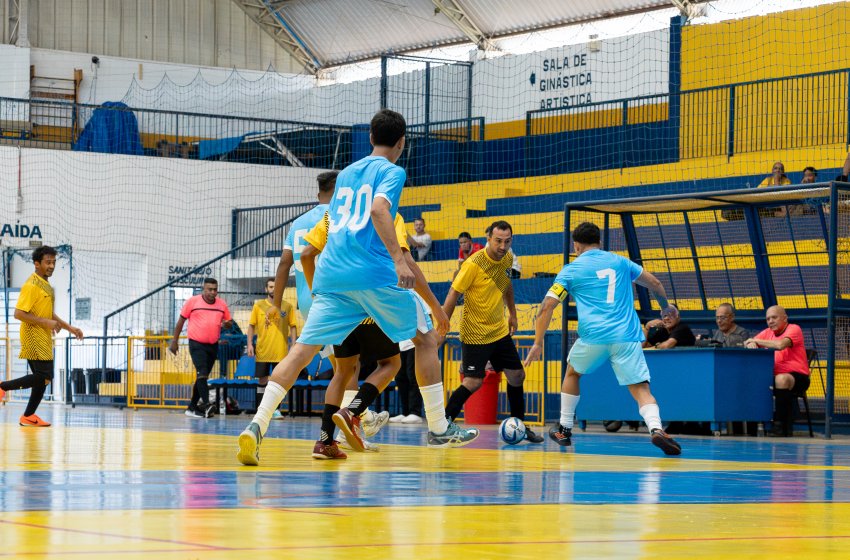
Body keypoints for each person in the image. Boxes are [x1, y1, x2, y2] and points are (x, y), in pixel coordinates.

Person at [236, 109, 478, 466]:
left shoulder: (347, 173)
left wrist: (320, 287)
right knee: (426, 340)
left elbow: (323, 236)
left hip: (332, 275)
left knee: (300, 353)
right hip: (371, 273)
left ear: (369, 138)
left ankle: (257, 426)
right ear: (401, 143)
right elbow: (380, 210)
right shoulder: (393, 171)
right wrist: (397, 260)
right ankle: (439, 427)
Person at [523, 222, 682, 455]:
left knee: (572, 372)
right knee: (640, 389)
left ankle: (564, 429)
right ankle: (656, 429)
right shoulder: (620, 261)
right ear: (599, 242)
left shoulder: (570, 269)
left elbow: (547, 306)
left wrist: (537, 342)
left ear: (575, 245)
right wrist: (665, 307)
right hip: (626, 336)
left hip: (593, 337)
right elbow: (655, 283)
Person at [300, 209, 425, 458]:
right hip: (370, 304)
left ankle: (325, 442)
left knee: (343, 372)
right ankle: (353, 411)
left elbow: (306, 254)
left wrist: (316, 291)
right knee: (391, 363)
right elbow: (403, 256)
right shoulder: (387, 214)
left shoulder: (335, 215)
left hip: (338, 304)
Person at [442, 220, 544, 443]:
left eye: (507, 241)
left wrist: (513, 313)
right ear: (488, 238)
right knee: (473, 381)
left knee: (517, 375)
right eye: (498, 241)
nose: (502, 246)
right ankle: (442, 425)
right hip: (475, 333)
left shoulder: (507, 258)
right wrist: (443, 325)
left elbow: (505, 284)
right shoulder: (473, 264)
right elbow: (452, 294)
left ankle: (520, 426)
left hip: (498, 331)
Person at [0, 246, 83, 426]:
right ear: (37, 264)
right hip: (32, 334)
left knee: (43, 378)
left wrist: (70, 328)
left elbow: (49, 313)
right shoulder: (31, 286)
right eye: (48, 262)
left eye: (53, 262)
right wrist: (46, 323)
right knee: (44, 376)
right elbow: (19, 314)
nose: (52, 265)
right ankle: (2, 387)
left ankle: (28, 416)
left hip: (43, 334)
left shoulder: (46, 286)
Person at [268, 171, 338, 323]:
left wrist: (276, 305)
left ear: (319, 195)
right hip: (333, 301)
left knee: (312, 346)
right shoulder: (339, 218)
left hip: (307, 305)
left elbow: (284, 264)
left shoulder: (298, 223)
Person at [169, 278, 233, 418]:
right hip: (196, 344)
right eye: (209, 289)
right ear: (203, 289)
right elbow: (180, 322)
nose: (212, 292)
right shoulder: (192, 302)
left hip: (213, 346)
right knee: (202, 373)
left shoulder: (222, 304)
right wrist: (174, 341)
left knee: (202, 377)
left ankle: (192, 407)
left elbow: (229, 322)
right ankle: (207, 404)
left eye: (215, 289)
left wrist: (227, 324)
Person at [744, 305, 810, 437]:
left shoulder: (794, 329)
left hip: (798, 377)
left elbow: (780, 345)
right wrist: (750, 343)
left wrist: (755, 340)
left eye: (774, 317)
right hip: (773, 376)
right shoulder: (768, 332)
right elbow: (747, 342)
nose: (770, 321)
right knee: (750, 379)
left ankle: (780, 426)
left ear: (785, 318)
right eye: (768, 319)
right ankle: (751, 426)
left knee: (782, 379)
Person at [246, 278, 297, 415]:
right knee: (262, 380)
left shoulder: (287, 306)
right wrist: (249, 344)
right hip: (263, 350)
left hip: (280, 351)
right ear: (266, 289)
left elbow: (293, 326)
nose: (273, 289)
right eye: (270, 287)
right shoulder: (259, 306)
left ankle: (275, 410)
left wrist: (293, 345)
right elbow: (251, 326)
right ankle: (260, 409)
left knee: (277, 381)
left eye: (276, 286)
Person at [390, 339, 423, 423]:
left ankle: (415, 412)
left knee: (413, 377)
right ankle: (405, 412)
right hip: (400, 346)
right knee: (400, 378)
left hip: (414, 345)